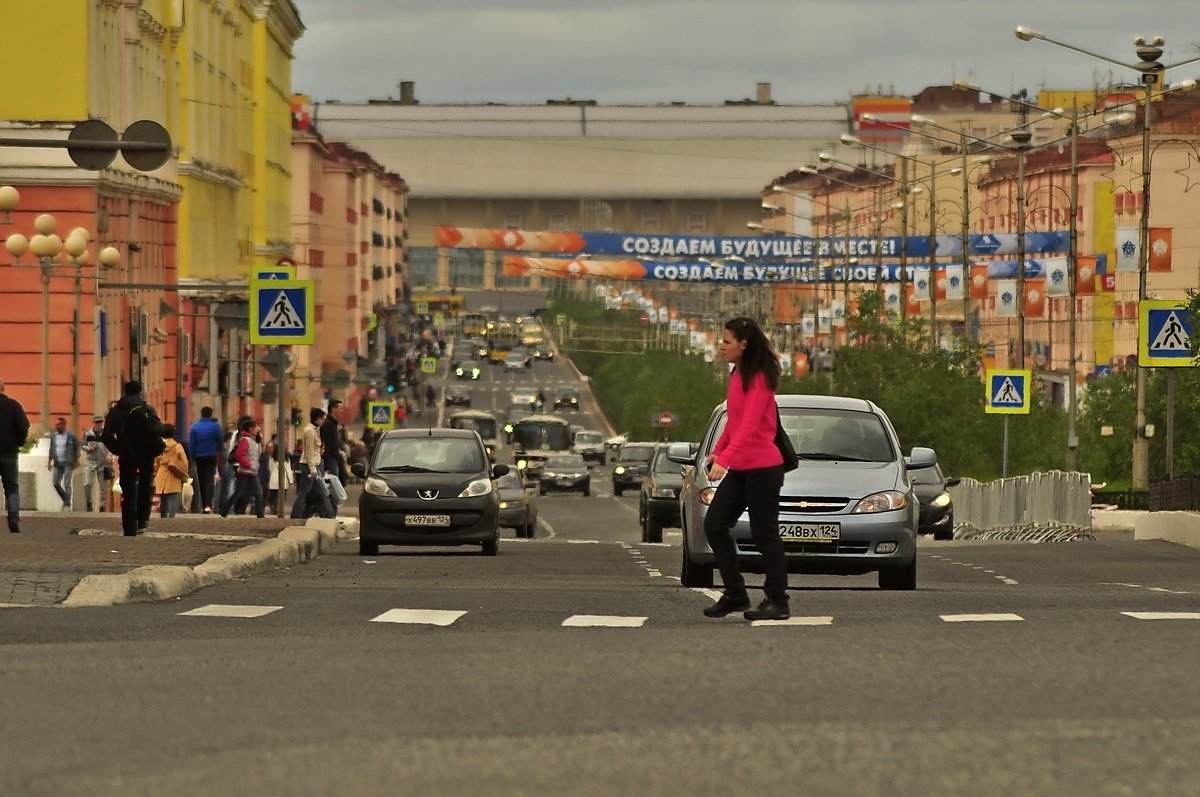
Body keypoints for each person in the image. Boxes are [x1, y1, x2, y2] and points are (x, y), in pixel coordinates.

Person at [701, 317, 790, 622]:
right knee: (715, 524)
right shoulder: (738, 373)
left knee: (765, 534)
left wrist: (726, 461)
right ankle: (736, 594)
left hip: (764, 468)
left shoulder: (762, 376)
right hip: (741, 468)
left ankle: (777, 600)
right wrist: (718, 452)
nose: (721, 346)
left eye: (726, 341)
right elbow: (734, 422)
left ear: (743, 345)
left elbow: (751, 426)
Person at [102, 380, 165, 536]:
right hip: (146, 454)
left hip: (127, 455)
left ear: (125, 391)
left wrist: (119, 449)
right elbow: (158, 429)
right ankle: (142, 519)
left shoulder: (116, 411)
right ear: (140, 391)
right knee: (145, 485)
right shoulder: (147, 409)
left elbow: (106, 436)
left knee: (128, 491)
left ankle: (129, 528)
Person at [290, 408, 334, 519]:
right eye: (322, 418)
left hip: (314, 466)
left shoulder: (315, 430)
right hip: (310, 467)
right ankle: (296, 516)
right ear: (318, 418)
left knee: (318, 493)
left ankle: (329, 517)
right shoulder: (309, 431)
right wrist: (313, 469)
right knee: (308, 493)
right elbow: (309, 452)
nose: (323, 421)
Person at [0, 378, 31, 533]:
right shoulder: (13, 406)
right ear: (3, 388)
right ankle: (13, 518)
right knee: (12, 488)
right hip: (9, 453)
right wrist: (19, 442)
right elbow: (24, 426)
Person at [221, 418, 264, 518]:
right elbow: (240, 455)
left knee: (258, 493)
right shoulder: (245, 440)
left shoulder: (254, 441)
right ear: (250, 429)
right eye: (255, 427)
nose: (257, 429)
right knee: (238, 493)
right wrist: (248, 464)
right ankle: (224, 511)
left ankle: (260, 514)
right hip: (245, 472)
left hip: (253, 472)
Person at [188, 406, 224, 514]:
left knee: (202, 481)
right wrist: (218, 450)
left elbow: (192, 444)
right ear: (210, 414)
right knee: (209, 480)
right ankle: (208, 505)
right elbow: (220, 441)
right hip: (211, 456)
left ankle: (204, 505)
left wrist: (193, 457)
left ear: (201, 414)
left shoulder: (195, 427)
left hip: (199, 457)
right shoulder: (215, 427)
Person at [153, 423, 189, 518]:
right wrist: (184, 471)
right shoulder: (177, 446)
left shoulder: (159, 445)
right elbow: (184, 460)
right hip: (174, 472)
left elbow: (156, 460)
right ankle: (171, 516)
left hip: (162, 472)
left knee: (163, 496)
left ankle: (163, 515)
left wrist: (157, 470)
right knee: (173, 496)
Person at [47, 417, 81, 510]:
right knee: (55, 483)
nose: (57, 426)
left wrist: (77, 460)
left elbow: (77, 447)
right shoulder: (54, 436)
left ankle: (67, 504)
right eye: (56, 424)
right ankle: (65, 498)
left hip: (68, 463)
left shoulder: (71, 436)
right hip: (57, 462)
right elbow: (52, 448)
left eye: (59, 425)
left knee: (67, 483)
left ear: (64, 425)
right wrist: (49, 461)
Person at [82, 416, 112, 512]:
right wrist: (88, 448)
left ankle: (102, 506)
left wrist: (110, 456)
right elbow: (82, 444)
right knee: (88, 484)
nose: (99, 425)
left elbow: (111, 446)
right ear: (94, 423)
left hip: (102, 464)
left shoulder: (106, 434)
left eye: (100, 423)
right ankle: (89, 502)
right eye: (97, 423)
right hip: (91, 462)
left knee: (103, 487)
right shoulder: (88, 433)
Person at [321, 399, 347, 487]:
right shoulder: (328, 424)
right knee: (334, 486)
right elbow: (326, 443)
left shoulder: (334, 424)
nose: (342, 411)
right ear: (333, 410)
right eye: (340, 408)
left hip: (334, 458)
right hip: (330, 460)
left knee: (336, 484)